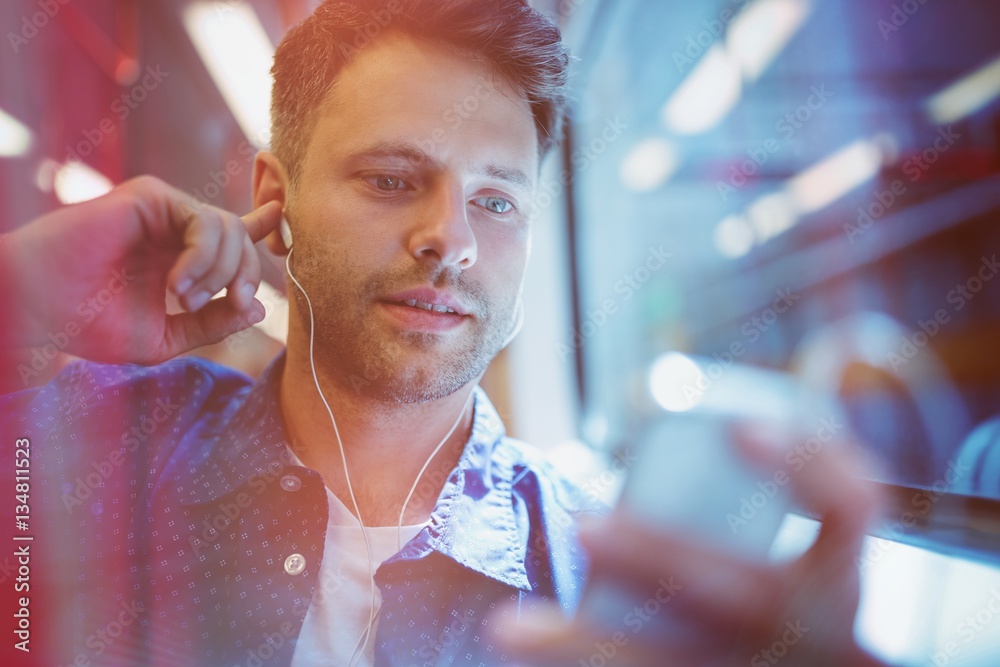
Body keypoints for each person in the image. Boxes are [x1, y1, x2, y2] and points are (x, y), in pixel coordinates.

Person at [0, 1, 888, 665]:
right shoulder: (85, 450)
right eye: (391, 180)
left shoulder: (602, 579)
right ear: (276, 196)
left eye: (496, 201)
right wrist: (21, 298)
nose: (453, 241)